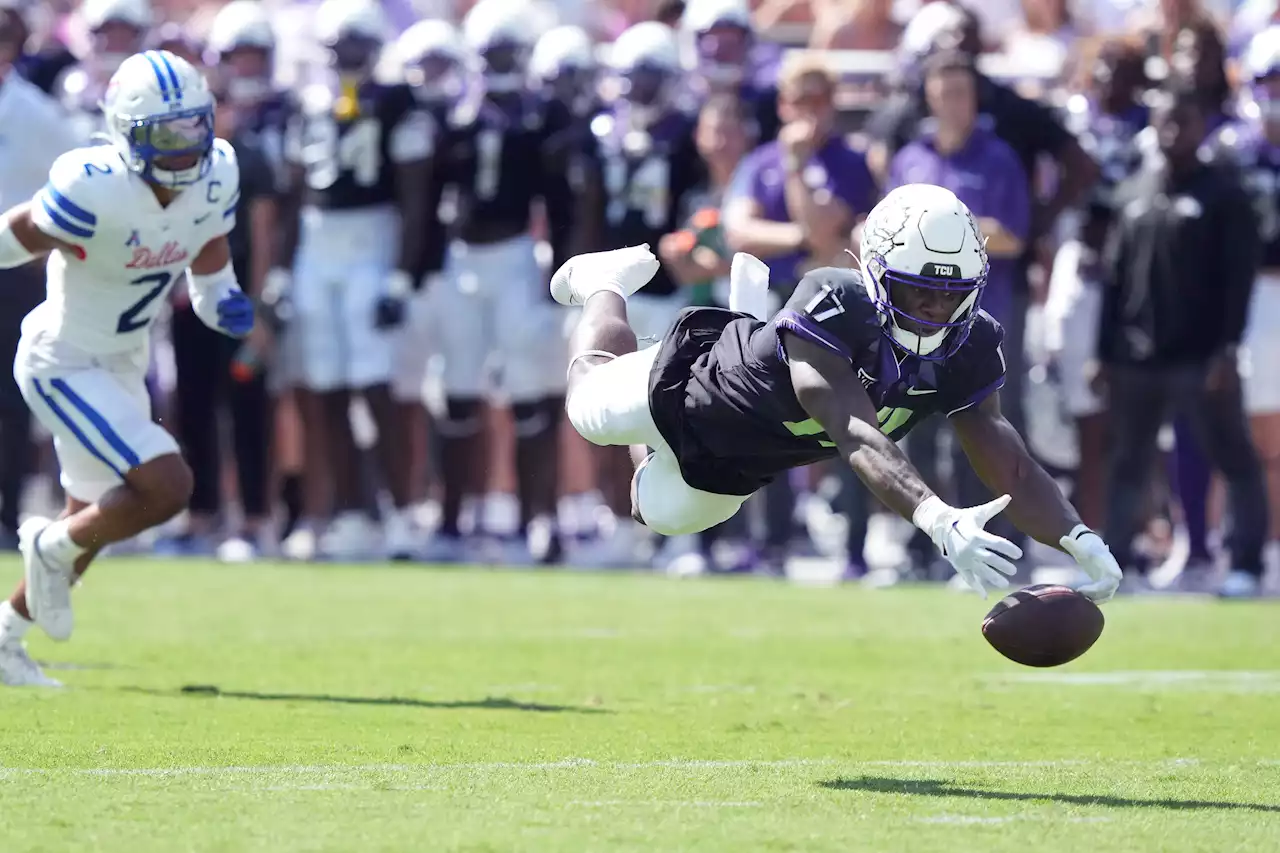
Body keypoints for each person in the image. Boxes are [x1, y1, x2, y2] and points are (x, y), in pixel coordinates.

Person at [553, 185, 1123, 604]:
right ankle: (606, 284)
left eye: (950, 294)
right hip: (699, 384)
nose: (934, 310)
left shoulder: (971, 343)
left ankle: (738, 324)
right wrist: (938, 520)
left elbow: (1009, 460)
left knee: (654, 509)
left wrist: (1077, 535)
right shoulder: (835, 300)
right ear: (875, 274)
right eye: (918, 291)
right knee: (587, 412)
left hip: (753, 455)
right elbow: (851, 427)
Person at [0, 49, 254, 686]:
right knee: (166, 487)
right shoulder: (95, 185)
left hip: (122, 360)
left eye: (196, 128)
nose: (185, 148)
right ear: (128, 134)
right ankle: (47, 548)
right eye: (166, 135)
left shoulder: (217, 172)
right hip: (62, 359)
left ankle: (6, 635)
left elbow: (207, 240)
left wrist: (217, 295)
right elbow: (21, 232)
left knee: (95, 511)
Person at [1096, 83, 1268, 598]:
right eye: (1166, 121)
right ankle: (1116, 565)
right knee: (1127, 461)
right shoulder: (1132, 193)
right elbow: (1114, 280)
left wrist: (1228, 349)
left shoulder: (1226, 195)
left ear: (1203, 127)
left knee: (1232, 456)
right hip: (1135, 359)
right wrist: (1103, 353)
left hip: (1201, 357)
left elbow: (1239, 282)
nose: (1174, 132)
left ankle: (1246, 563)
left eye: (1185, 121)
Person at [275, 0, 432, 561]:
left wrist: (400, 278)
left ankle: (399, 512)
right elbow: (295, 193)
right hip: (318, 249)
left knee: (376, 386)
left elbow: (416, 198)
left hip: (372, 241)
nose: (347, 55)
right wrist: (278, 269)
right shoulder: (310, 103)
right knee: (325, 388)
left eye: (356, 44)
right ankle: (347, 512)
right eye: (339, 45)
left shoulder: (397, 103)